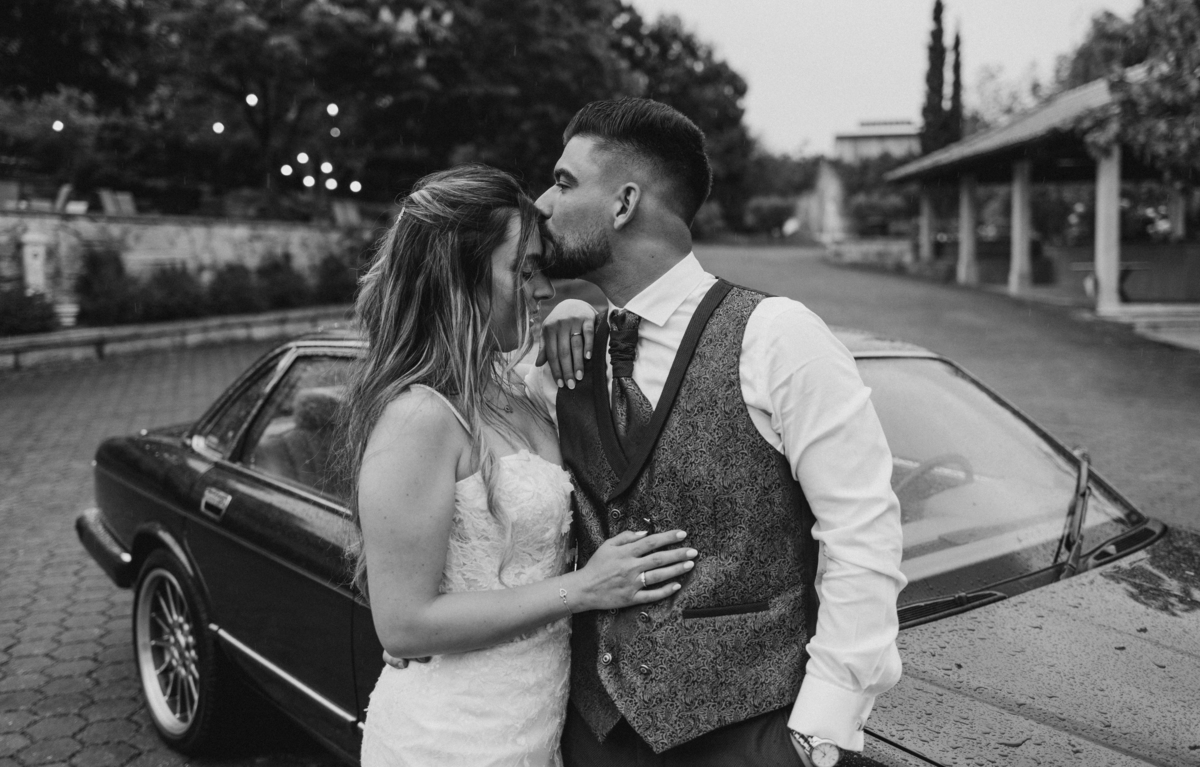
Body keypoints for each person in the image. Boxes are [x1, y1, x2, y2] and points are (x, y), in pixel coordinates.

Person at [527, 99, 907, 766]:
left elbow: (862, 530)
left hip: (748, 736)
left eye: (562, 182)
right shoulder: (566, 354)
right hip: (593, 734)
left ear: (623, 203)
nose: (540, 204)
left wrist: (819, 732)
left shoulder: (777, 336)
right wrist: (570, 305)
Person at [342, 164, 699, 767]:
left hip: (534, 725)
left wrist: (579, 317)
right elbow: (403, 625)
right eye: (523, 270)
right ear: (457, 275)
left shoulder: (509, 385)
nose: (543, 289)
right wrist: (583, 589)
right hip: (449, 738)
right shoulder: (418, 418)